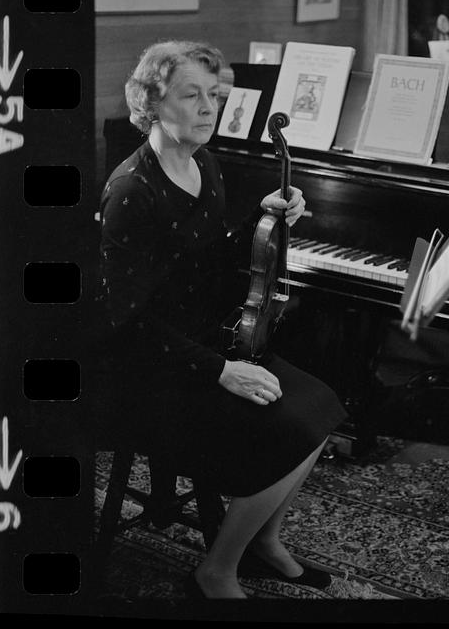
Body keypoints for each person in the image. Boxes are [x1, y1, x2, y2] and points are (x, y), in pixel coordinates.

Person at [96, 40, 347, 599]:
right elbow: (127, 322)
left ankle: (264, 540)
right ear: (151, 102)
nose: (210, 108)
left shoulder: (203, 164)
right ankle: (217, 569)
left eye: (214, 95)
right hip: (149, 368)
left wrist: (265, 219)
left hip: (205, 342)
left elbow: (210, 268)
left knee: (321, 405)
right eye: (192, 95)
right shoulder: (131, 192)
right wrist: (221, 371)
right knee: (285, 424)